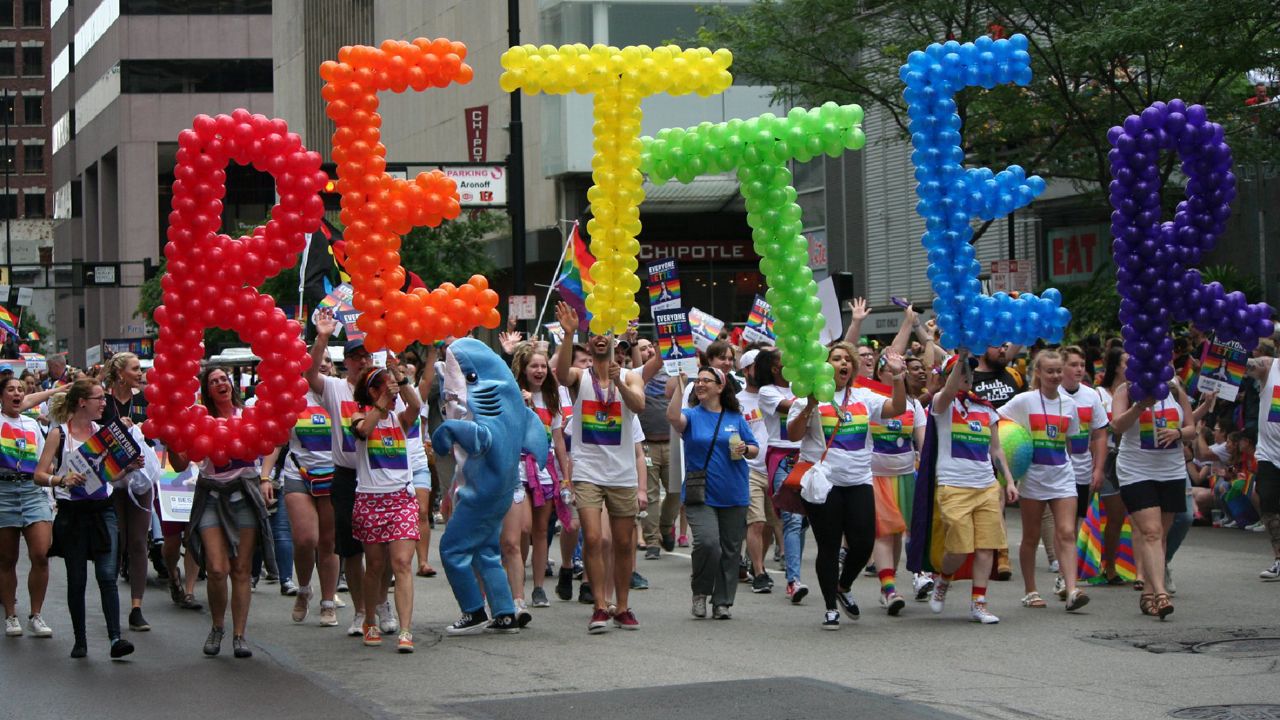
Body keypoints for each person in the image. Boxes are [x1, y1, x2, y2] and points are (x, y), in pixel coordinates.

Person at [788, 343, 907, 629]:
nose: (843, 364)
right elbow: (792, 435)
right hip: (824, 483)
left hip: (859, 481)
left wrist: (899, 377)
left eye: (847, 360)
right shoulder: (809, 397)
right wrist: (810, 406)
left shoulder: (864, 396)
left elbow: (898, 408)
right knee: (828, 546)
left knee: (864, 542)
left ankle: (843, 586)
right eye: (836, 359)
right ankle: (830, 607)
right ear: (824, 366)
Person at [553, 302, 647, 633]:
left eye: (605, 333)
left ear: (615, 339)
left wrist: (618, 381)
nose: (599, 338)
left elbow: (638, 405)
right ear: (589, 343)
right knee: (593, 538)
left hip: (622, 474)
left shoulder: (632, 377)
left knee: (623, 543)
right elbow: (562, 375)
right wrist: (567, 335)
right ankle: (599, 605)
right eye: (593, 334)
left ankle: (622, 606)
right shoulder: (581, 377)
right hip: (588, 471)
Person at [172, 368, 278, 658]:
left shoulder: (250, 414)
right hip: (211, 496)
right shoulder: (199, 419)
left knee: (241, 569)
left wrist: (266, 477)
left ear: (231, 385)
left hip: (244, 493)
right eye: (214, 381)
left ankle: (240, 635)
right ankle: (217, 627)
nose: (221, 383)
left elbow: (274, 441)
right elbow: (181, 464)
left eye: (224, 379)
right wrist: (170, 435)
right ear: (207, 390)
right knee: (217, 569)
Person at [35, 379, 136, 658]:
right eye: (99, 398)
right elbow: (39, 474)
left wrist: (127, 467)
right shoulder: (60, 435)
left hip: (102, 510)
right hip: (73, 514)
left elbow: (111, 476)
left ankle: (116, 639)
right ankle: (80, 641)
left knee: (107, 575)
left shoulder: (105, 434)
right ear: (82, 402)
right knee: (77, 578)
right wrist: (61, 479)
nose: (104, 403)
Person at [306, 309, 390, 637]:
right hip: (345, 477)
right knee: (351, 550)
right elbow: (310, 374)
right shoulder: (334, 388)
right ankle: (360, 611)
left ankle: (381, 604)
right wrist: (323, 336)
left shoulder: (382, 391)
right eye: (354, 357)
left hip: (380, 477)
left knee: (381, 547)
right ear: (346, 362)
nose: (361, 361)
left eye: (365, 355)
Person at [927, 351, 1018, 625]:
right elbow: (948, 390)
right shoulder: (941, 405)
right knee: (959, 548)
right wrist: (962, 355)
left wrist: (1010, 481)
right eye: (960, 371)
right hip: (953, 486)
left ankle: (979, 602)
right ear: (948, 376)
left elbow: (996, 450)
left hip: (986, 486)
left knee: (987, 546)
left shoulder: (987, 408)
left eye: (970, 371)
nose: (966, 375)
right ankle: (944, 579)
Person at [998, 350, 1089, 612]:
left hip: (1062, 474)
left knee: (1067, 532)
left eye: (1059, 371)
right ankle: (1030, 590)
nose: (1055, 376)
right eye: (1049, 371)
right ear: (1038, 373)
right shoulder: (1024, 401)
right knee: (1031, 536)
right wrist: (1012, 450)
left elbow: (1069, 442)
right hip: (1034, 477)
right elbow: (996, 419)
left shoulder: (1069, 404)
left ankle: (1072, 589)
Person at [668, 366, 759, 620]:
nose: (700, 384)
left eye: (707, 380)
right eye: (698, 380)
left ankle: (722, 602)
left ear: (720, 387)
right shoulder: (691, 416)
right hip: (701, 493)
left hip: (734, 491)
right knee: (708, 543)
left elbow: (755, 448)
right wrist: (679, 385)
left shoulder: (735, 417)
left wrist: (746, 449)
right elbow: (673, 418)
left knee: (731, 550)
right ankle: (700, 592)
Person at [350, 358, 421, 653]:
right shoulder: (358, 416)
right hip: (370, 499)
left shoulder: (400, 420)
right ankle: (370, 619)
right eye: (384, 388)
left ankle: (405, 630)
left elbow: (415, 406)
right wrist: (382, 400)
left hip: (401, 498)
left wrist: (402, 380)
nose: (391, 394)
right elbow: (364, 430)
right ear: (372, 392)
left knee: (402, 563)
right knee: (375, 566)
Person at [1110, 372, 1195, 619]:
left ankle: (1148, 594)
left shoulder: (1176, 390)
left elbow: (1192, 429)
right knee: (1151, 532)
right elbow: (1116, 426)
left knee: (1160, 536)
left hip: (1171, 471)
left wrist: (1178, 434)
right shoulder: (1126, 390)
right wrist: (1139, 406)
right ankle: (1160, 593)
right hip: (1136, 470)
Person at [504, 345, 569, 616]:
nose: (540, 371)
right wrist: (522, 403)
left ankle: (539, 587)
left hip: (545, 470)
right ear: (524, 369)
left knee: (542, 530)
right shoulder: (512, 395)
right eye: (534, 366)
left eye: (543, 366)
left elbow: (558, 442)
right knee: (523, 528)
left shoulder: (552, 400)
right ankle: (516, 584)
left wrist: (566, 476)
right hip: (518, 468)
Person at [277, 364, 341, 628]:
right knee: (305, 539)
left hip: (334, 474)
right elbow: (278, 440)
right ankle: (304, 588)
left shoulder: (339, 395)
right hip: (298, 472)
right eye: (317, 360)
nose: (322, 364)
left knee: (328, 542)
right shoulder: (292, 397)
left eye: (327, 360)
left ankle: (327, 601)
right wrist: (265, 476)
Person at [867, 351, 927, 613]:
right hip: (875, 476)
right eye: (888, 370)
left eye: (898, 371)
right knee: (883, 532)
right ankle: (890, 588)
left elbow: (922, 442)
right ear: (880, 373)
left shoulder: (914, 406)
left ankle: (887, 584)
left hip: (905, 477)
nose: (893, 375)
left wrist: (925, 470)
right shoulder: (869, 400)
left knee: (897, 533)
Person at [99, 352, 154, 633]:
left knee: (137, 542)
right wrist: (116, 430)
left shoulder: (145, 400)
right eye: (135, 369)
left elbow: (155, 438)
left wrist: (143, 431)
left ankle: (136, 608)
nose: (140, 373)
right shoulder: (103, 401)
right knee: (115, 540)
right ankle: (109, 604)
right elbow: (92, 437)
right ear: (120, 373)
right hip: (110, 480)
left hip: (140, 480)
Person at [0, 376, 53, 638]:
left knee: (41, 554)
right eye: (11, 390)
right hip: (3, 492)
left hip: (32, 491)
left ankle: (36, 614)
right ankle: (10, 615)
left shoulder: (32, 424)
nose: (17, 394)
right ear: (2, 396)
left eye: (21, 389)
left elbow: (45, 462)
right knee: (7, 559)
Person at [757, 348, 809, 604]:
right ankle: (793, 581)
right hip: (783, 460)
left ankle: (794, 571)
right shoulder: (768, 392)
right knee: (792, 519)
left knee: (803, 523)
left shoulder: (803, 386)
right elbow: (790, 408)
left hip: (809, 459)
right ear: (775, 368)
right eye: (784, 358)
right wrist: (813, 396)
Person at [739, 349, 781, 593]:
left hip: (774, 468)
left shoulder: (775, 396)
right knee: (756, 522)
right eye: (757, 366)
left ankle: (756, 563)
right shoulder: (736, 400)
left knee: (769, 526)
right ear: (746, 371)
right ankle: (760, 572)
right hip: (749, 469)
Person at [1096, 347, 1130, 583]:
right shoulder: (1099, 394)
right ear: (1116, 366)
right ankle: (1100, 564)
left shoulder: (1137, 392)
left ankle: (1115, 565)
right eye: (1127, 362)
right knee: (1106, 515)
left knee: (1125, 516)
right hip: (1105, 459)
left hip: (1129, 458)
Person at [1246, 356, 1280, 580]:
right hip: (1270, 453)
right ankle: (1279, 558)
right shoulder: (1271, 367)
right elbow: (1249, 366)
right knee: (1267, 501)